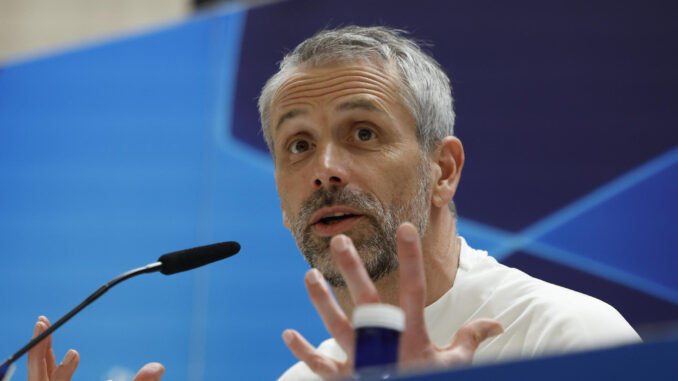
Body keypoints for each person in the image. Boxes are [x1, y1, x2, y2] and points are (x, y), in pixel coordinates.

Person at [26, 25, 639, 381]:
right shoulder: (304, 378)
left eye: (362, 134)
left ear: (443, 169)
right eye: (298, 145)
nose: (323, 171)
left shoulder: (565, 337)